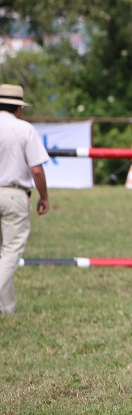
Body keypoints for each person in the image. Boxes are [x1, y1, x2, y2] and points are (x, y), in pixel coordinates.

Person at [0, 84, 50, 314]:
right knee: (10, 252)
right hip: (14, 194)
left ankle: (7, 307)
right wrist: (44, 197)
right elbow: (37, 170)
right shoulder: (24, 129)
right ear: (18, 108)